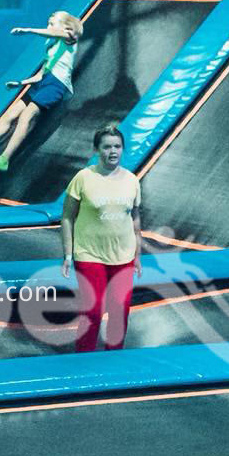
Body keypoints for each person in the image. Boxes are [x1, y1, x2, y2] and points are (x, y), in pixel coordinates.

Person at [0, 10, 83, 171]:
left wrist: (28, 30)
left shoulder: (69, 38)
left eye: (52, 23)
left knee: (26, 116)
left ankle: (4, 159)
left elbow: (55, 32)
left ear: (65, 27)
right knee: (10, 114)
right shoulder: (51, 47)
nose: (49, 26)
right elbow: (41, 74)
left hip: (57, 85)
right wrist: (20, 83)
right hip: (44, 81)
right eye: (48, 23)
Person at [60, 124, 142, 353]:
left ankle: (113, 361)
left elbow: (135, 219)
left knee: (120, 311)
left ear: (123, 149)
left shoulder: (131, 180)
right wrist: (68, 254)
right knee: (94, 311)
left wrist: (137, 255)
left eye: (117, 146)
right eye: (107, 147)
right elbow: (67, 217)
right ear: (97, 150)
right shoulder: (83, 178)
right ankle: (83, 359)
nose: (112, 151)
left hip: (123, 254)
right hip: (89, 253)